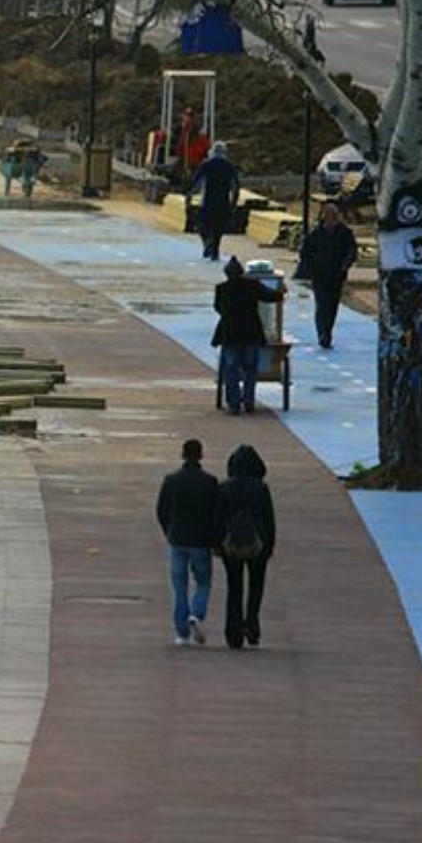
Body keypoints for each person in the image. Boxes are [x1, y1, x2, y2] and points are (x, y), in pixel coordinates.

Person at [156, 438, 221, 646]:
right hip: (201, 541)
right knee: (203, 582)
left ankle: (181, 633)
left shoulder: (171, 480)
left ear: (182, 454)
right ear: (201, 455)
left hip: (177, 539)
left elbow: (161, 510)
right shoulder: (210, 482)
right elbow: (216, 514)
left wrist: (169, 531)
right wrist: (214, 538)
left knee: (179, 587)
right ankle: (197, 614)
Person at [217, 444, 276, 649]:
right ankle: (252, 623)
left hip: (231, 543)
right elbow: (269, 520)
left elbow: (218, 518)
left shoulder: (224, 487)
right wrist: (270, 546)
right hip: (257, 541)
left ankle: (233, 632)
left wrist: (217, 544)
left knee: (234, 586)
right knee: (256, 585)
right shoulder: (261, 488)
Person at [212, 256, 285, 414]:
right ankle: (248, 400)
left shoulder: (221, 288)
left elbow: (218, 308)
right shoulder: (252, 286)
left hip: (230, 333)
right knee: (250, 368)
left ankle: (233, 403)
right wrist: (282, 290)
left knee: (231, 368)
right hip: (251, 332)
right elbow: (272, 297)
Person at [299, 201, 357, 349]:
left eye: (335, 215)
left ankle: (328, 330)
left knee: (332, 305)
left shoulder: (344, 233)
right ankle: (322, 333)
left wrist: (345, 264)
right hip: (320, 275)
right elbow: (305, 252)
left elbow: (352, 251)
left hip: (337, 274)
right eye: (329, 215)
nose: (332, 218)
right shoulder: (316, 234)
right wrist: (310, 269)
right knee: (322, 304)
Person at [189, 141, 241, 261]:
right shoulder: (229, 167)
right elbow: (235, 187)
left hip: (207, 201)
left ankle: (208, 242)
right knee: (218, 229)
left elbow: (196, 182)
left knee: (202, 225)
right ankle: (214, 250)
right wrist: (233, 203)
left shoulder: (206, 165)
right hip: (223, 203)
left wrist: (189, 196)